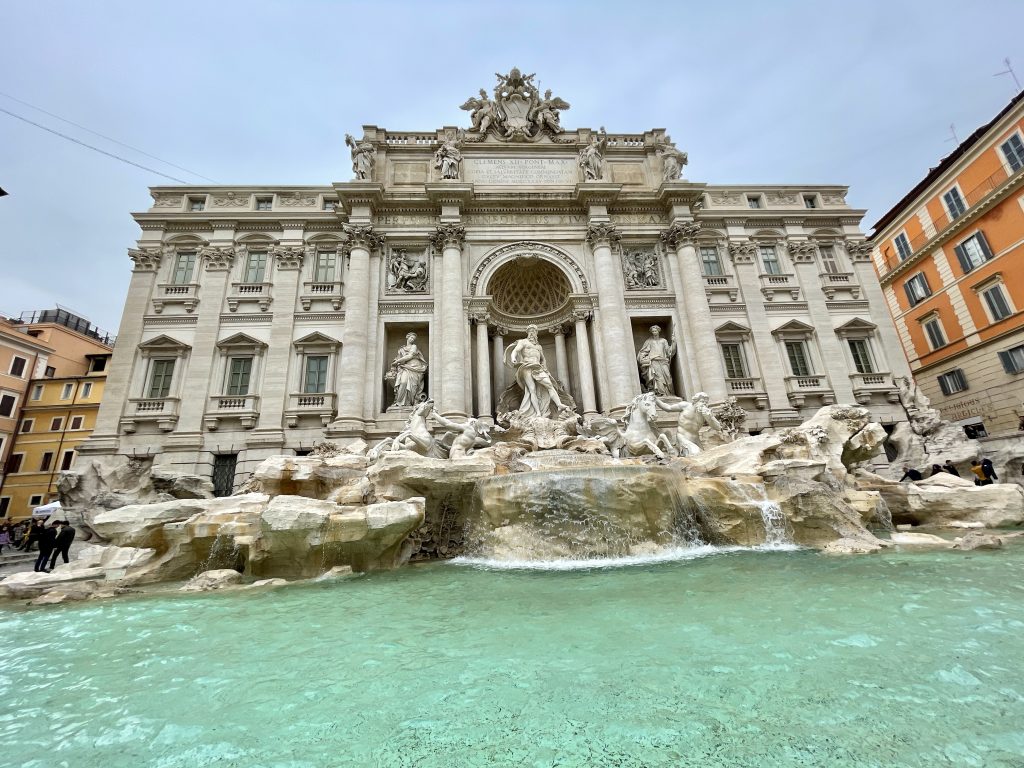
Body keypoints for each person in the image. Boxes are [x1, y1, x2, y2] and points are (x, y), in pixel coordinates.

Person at [506, 325, 564, 419]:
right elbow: (515, 351)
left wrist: (545, 368)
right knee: (531, 389)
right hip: (527, 366)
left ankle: (559, 404)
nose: (532, 333)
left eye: (533, 331)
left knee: (549, 384)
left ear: (536, 333)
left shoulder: (539, 347)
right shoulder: (523, 342)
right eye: (530, 331)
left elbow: (543, 359)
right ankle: (537, 413)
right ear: (527, 332)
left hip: (538, 367)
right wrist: (513, 358)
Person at [654, 392, 723, 457]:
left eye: (706, 402)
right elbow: (668, 408)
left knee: (704, 456)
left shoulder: (706, 413)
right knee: (696, 453)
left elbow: (718, 427)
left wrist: (710, 418)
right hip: (683, 438)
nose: (704, 404)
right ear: (696, 401)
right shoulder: (685, 406)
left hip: (696, 440)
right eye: (702, 401)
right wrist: (656, 399)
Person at [387, 333, 428, 408]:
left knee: (413, 386)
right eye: (411, 338)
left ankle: (409, 403)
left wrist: (397, 362)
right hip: (404, 368)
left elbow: (410, 356)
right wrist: (395, 363)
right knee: (403, 382)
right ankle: (399, 402)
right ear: (407, 337)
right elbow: (398, 358)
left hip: (415, 367)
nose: (412, 339)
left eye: (414, 339)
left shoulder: (414, 346)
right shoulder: (401, 349)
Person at [637, 325, 676, 397]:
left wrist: (673, 342)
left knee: (668, 377)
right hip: (654, 361)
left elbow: (669, 352)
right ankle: (661, 393)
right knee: (658, 378)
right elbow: (643, 352)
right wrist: (643, 358)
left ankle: (669, 393)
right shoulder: (649, 341)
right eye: (653, 331)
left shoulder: (663, 341)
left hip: (663, 361)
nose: (654, 332)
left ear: (658, 331)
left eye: (655, 331)